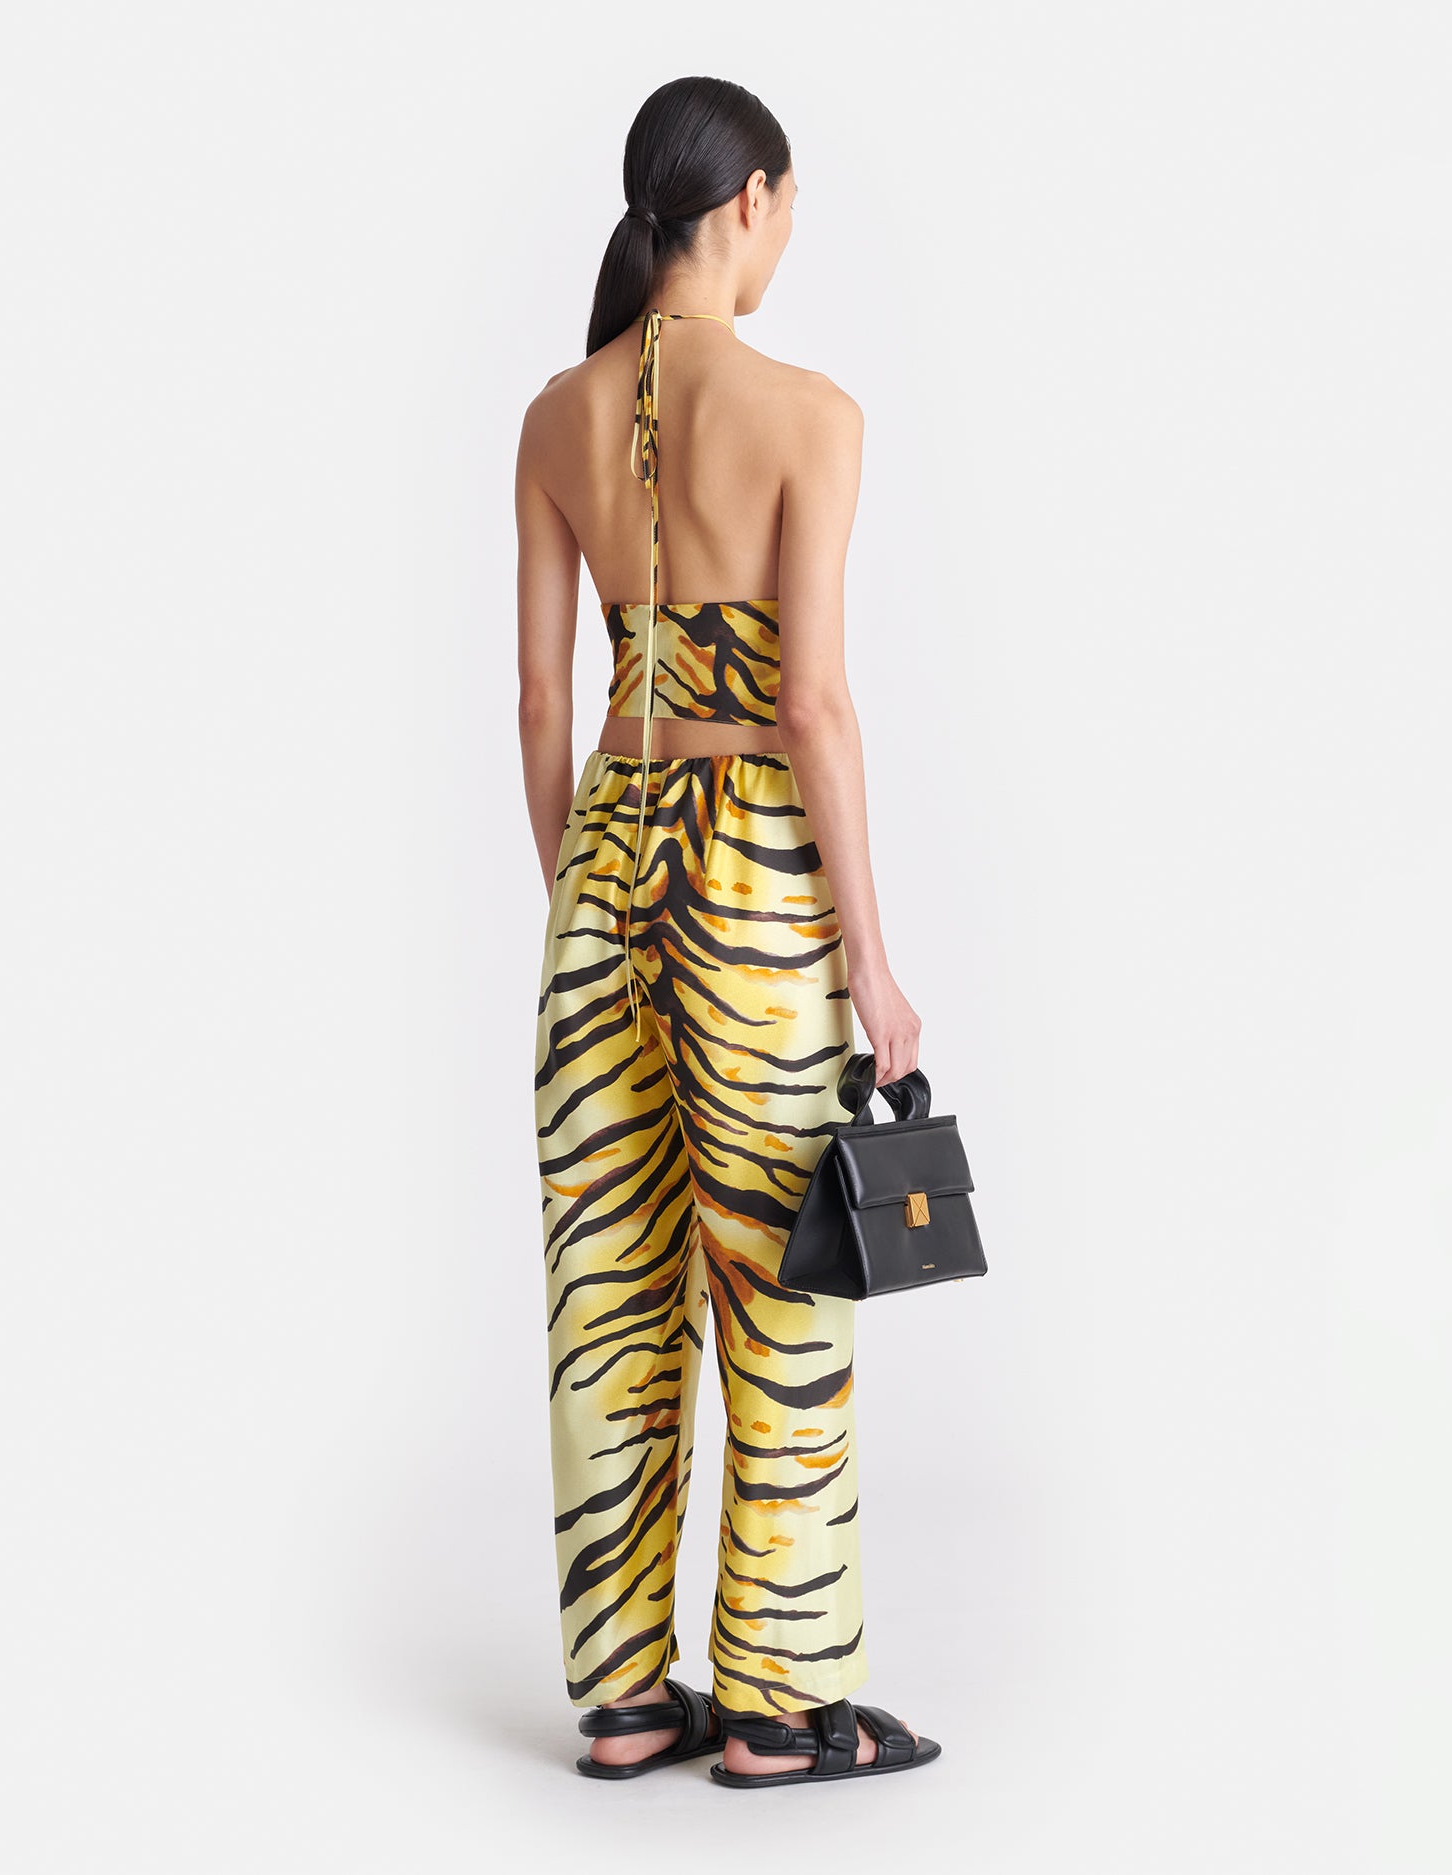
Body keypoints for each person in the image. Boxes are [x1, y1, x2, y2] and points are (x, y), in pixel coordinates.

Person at [516, 75, 940, 1788]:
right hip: (754, 878)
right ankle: (774, 1703)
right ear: (750, 198)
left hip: (603, 877)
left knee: (607, 1290)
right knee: (781, 1282)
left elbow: (538, 707)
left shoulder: (555, 414)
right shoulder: (808, 413)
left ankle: (626, 1699)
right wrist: (871, 958)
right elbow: (814, 704)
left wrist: (581, 905)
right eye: (789, 209)